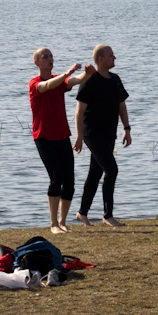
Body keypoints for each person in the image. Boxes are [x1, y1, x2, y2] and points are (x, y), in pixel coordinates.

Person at [28, 48, 95, 234]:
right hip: (43, 138)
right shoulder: (34, 83)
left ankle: (63, 221)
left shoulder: (60, 79)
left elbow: (75, 81)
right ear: (37, 63)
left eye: (51, 56)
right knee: (56, 178)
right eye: (45, 57)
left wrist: (86, 74)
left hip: (62, 136)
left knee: (70, 180)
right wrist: (68, 73)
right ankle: (53, 224)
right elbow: (47, 86)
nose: (50, 59)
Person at [73, 44, 131, 228]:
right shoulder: (90, 81)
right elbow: (79, 111)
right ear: (101, 59)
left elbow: (121, 105)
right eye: (111, 55)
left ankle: (82, 213)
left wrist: (127, 129)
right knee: (111, 170)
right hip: (92, 133)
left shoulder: (115, 79)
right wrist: (79, 136)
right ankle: (108, 215)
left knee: (95, 173)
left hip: (109, 133)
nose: (114, 58)